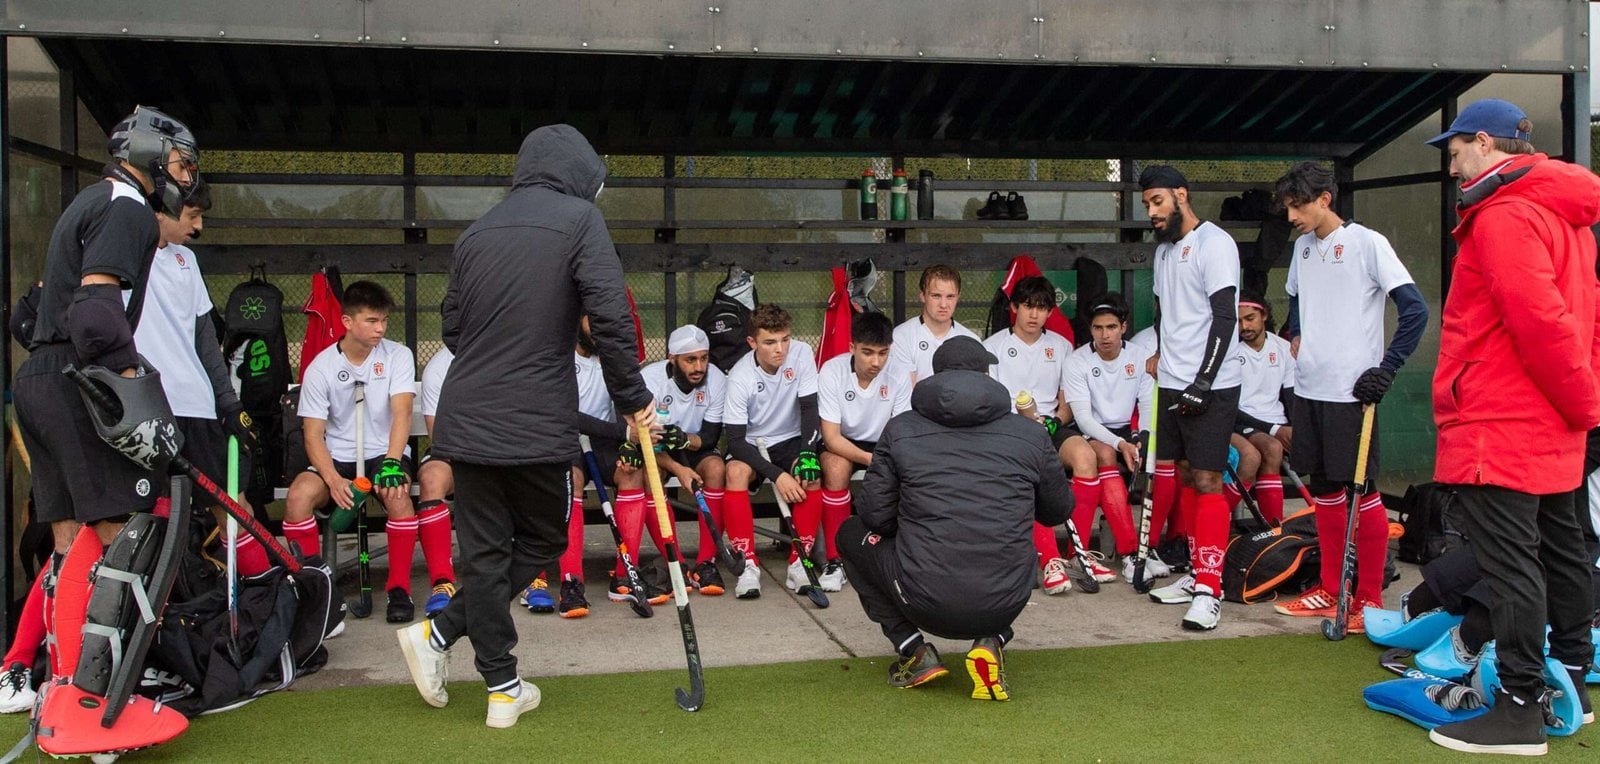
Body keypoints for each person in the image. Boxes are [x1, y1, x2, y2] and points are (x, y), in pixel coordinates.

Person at [399, 124, 656, 729]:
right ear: (578, 171)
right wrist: (632, 397)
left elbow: (456, 331)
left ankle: (494, 680)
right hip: (536, 415)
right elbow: (611, 316)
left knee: (486, 554)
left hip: (468, 416)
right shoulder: (580, 220)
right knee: (542, 540)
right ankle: (446, 637)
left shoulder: (476, 231)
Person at [1423, 99, 1598, 755]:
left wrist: (1584, 403)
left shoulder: (1501, 216)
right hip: (1549, 420)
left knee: (1511, 569)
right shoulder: (1568, 216)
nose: (1451, 164)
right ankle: (1570, 685)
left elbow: (1542, 326)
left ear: (1486, 144)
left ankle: (1520, 708)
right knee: (1563, 551)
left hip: (1503, 421)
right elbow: (1587, 320)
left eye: (1454, 150)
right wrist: (1586, 407)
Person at [14, 106, 196, 719]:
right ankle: (101, 694)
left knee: (68, 543)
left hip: (37, 381)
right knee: (121, 536)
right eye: (179, 162)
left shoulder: (90, 200)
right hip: (74, 380)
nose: (185, 175)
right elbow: (95, 314)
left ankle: (58, 685)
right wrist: (130, 380)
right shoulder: (128, 207)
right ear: (148, 153)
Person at [838, 336, 1071, 700]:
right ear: (986, 373)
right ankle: (992, 641)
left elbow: (875, 518)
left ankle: (914, 649)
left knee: (850, 533)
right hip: (1005, 599)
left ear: (936, 375)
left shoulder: (900, 429)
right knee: (1015, 544)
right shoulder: (1030, 433)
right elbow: (1057, 510)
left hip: (923, 598)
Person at [1268, 161, 1427, 635]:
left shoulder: (1368, 243)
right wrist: (1296, 331)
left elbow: (1414, 310)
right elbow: (1295, 297)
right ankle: (1331, 588)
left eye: (1297, 206)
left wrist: (1387, 369)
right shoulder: (1301, 249)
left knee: (1365, 493)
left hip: (1352, 392)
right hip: (1308, 387)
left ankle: (1369, 600)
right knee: (1327, 493)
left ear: (1325, 199)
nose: (1291, 216)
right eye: (1287, 207)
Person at [284, 281, 429, 623]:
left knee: (397, 494)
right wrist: (334, 480)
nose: (380, 328)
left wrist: (393, 461)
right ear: (348, 322)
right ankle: (311, 590)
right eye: (371, 321)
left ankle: (399, 589)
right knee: (297, 498)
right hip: (336, 456)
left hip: (383, 451)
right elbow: (313, 434)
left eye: (383, 321)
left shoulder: (398, 355)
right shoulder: (321, 367)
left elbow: (402, 412)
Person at [1138, 164, 1242, 632]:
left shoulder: (1215, 244)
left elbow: (1225, 319)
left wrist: (1203, 381)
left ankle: (1210, 589)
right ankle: (1197, 571)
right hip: (1173, 381)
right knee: (1180, 474)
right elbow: (1166, 313)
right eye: (1147, 205)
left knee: (1207, 480)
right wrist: (1162, 354)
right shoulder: (1162, 252)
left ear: (1181, 195)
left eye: (1158, 201)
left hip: (1212, 384)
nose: (1152, 212)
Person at [985, 276, 1108, 590]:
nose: (1033, 315)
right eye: (1027, 306)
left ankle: (1077, 553)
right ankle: (1050, 559)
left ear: (1050, 312)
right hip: (1010, 431)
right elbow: (989, 404)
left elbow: (1067, 404)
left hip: (1049, 426)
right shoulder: (992, 347)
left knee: (1085, 456)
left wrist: (1054, 422)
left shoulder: (1062, 346)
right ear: (1014, 308)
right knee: (1033, 473)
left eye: (1041, 308)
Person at [722, 304, 822, 599]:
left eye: (785, 339)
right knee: (735, 472)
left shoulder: (802, 354)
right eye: (770, 342)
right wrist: (778, 476)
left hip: (790, 439)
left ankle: (798, 562)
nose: (781, 349)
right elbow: (736, 441)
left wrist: (807, 453)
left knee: (811, 474)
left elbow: (809, 409)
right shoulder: (740, 376)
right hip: (752, 443)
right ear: (752, 342)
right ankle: (747, 564)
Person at [1062, 293, 1160, 580]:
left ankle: (1149, 548)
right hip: (1090, 431)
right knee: (1104, 454)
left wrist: (1141, 437)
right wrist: (1120, 444)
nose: (1105, 335)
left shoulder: (1140, 357)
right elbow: (1083, 418)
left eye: (1111, 327)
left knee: (1165, 458)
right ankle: (1131, 553)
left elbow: (1146, 406)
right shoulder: (1076, 360)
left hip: (1127, 430)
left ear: (1124, 327)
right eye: (1098, 328)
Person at [816, 311, 913, 592]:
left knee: (908, 470)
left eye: (883, 353)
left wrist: (886, 459)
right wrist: (873, 460)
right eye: (867, 353)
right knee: (834, 468)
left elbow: (901, 432)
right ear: (851, 348)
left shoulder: (898, 373)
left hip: (885, 443)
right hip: (844, 443)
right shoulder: (832, 371)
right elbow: (832, 438)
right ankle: (836, 561)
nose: (876, 362)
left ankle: (898, 556)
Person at [641, 325, 731, 595]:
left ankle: (705, 563)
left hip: (690, 443)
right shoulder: (650, 380)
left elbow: (710, 437)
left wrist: (684, 439)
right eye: (690, 359)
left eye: (704, 358)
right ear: (672, 359)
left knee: (716, 468)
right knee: (651, 475)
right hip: (657, 449)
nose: (699, 367)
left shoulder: (716, 379)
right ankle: (676, 561)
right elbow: (648, 442)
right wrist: (679, 468)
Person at [1230, 295, 1295, 525]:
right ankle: (1272, 527)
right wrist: (1275, 429)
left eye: (1250, 319)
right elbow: (1228, 407)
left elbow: (1291, 396)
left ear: (1264, 315)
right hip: (1238, 423)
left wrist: (1295, 429)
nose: (1244, 327)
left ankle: (1272, 531)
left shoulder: (1283, 348)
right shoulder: (1230, 351)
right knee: (1270, 448)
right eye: (1238, 321)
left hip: (1276, 424)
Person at [415, 346, 461, 617]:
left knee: (526, 467)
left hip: (500, 449)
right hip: (454, 454)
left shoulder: (503, 349)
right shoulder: (438, 367)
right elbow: (438, 438)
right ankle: (442, 582)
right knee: (432, 479)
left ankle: (532, 578)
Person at [890, 265, 978, 384]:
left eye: (950, 296)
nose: (943, 304)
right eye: (936, 296)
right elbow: (906, 390)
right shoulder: (902, 336)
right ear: (922, 296)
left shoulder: (971, 340)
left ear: (958, 297)